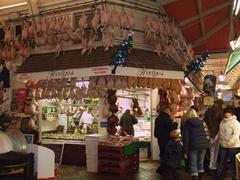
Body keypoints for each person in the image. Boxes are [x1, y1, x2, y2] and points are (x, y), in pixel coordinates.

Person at [183, 108, 210, 180]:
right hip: (203, 146)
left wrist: (185, 151)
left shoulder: (187, 123)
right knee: (201, 163)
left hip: (193, 146)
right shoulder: (202, 121)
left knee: (193, 163)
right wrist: (207, 144)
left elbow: (186, 138)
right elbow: (207, 133)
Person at [215, 107, 240, 180]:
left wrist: (230, 142)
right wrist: (215, 140)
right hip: (223, 145)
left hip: (234, 146)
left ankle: (236, 176)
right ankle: (220, 175)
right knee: (222, 161)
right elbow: (220, 132)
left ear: (231, 113)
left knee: (234, 163)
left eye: (228, 112)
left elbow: (236, 134)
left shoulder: (235, 122)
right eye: (225, 112)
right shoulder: (222, 122)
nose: (226, 114)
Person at [154, 105, 178, 175]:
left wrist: (157, 135)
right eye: (169, 110)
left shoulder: (158, 118)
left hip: (160, 138)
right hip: (166, 139)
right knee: (166, 154)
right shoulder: (166, 118)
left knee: (162, 153)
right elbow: (172, 128)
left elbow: (156, 130)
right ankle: (163, 169)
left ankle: (162, 168)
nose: (170, 111)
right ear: (166, 110)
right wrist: (175, 123)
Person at [203, 99, 224, 174]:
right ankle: (212, 167)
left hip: (210, 133)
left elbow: (204, 121)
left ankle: (211, 166)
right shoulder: (219, 111)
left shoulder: (208, 111)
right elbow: (221, 121)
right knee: (215, 151)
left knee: (211, 151)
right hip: (216, 133)